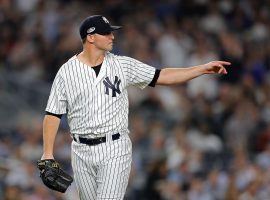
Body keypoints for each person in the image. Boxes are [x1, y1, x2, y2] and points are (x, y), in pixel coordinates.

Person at [40, 15, 230, 200]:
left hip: (115, 147)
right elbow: (53, 113)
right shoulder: (67, 72)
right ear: (90, 37)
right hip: (80, 150)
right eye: (106, 33)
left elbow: (161, 76)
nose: (112, 36)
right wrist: (47, 154)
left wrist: (201, 69)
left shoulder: (122, 65)